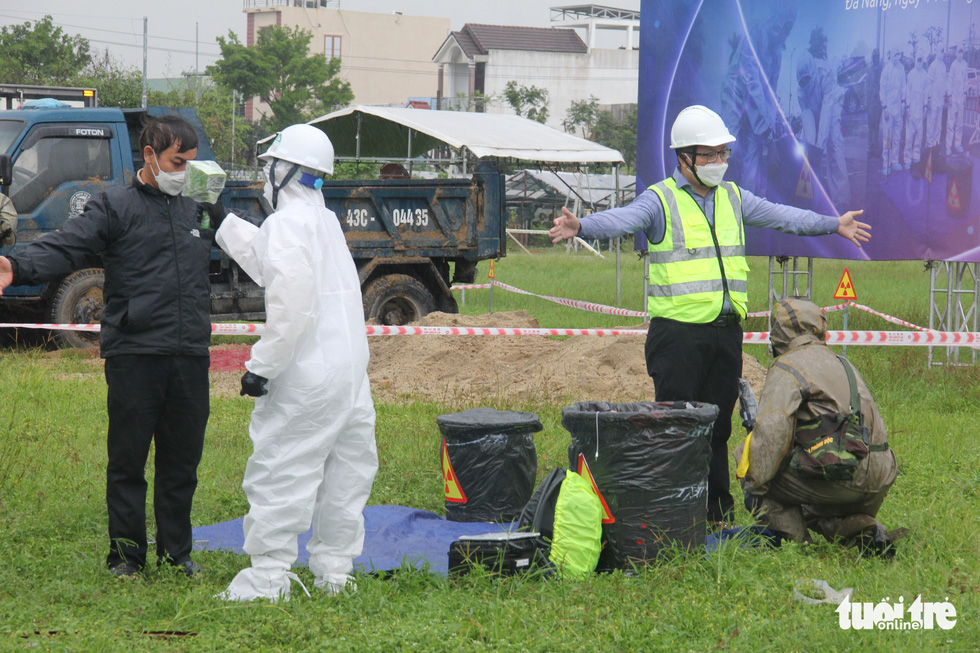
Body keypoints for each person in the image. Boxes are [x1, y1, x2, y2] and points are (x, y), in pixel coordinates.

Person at [548, 105, 870, 525]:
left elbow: (783, 216)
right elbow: (624, 219)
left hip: (723, 336)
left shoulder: (734, 198)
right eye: (708, 155)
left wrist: (832, 223)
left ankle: (717, 516)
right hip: (677, 338)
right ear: (683, 158)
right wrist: (584, 226)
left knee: (717, 429)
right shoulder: (660, 199)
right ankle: (674, 515)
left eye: (723, 154)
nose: (718, 162)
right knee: (676, 429)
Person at [0, 115, 222, 578]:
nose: (184, 171)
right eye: (176, 162)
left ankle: (177, 554)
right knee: (128, 462)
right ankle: (125, 557)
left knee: (182, 464)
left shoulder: (198, 209)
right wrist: (15, 267)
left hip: (188, 354)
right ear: (149, 156)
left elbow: (251, 242)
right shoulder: (114, 205)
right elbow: (66, 245)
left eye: (191, 163)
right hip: (135, 355)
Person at [214, 124, 378, 602]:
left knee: (281, 468)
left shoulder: (288, 225)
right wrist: (223, 223)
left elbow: (291, 304)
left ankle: (267, 581)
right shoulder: (323, 221)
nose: (267, 176)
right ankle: (333, 574)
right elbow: (274, 262)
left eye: (270, 167)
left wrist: (261, 366)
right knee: (345, 477)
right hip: (350, 376)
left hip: (308, 374)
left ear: (284, 172)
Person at [734, 298, 899, 554]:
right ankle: (864, 530)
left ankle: (794, 545)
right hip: (880, 473)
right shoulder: (844, 363)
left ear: (779, 333)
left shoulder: (788, 366)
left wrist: (754, 480)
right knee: (816, 492)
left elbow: (771, 436)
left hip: (844, 473)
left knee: (751, 464)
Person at [719, 6, 796, 195]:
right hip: (736, 96)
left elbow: (770, 93)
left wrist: (772, 126)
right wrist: (768, 136)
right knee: (732, 149)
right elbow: (752, 85)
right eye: (783, 27)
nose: (785, 33)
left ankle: (746, 209)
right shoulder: (754, 37)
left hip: (757, 103)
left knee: (753, 154)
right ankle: (718, 200)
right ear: (775, 21)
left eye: (789, 29)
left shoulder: (777, 53)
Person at [796, 50, 851, 205]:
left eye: (808, 80)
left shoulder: (825, 72)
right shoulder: (801, 94)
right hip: (814, 110)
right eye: (802, 81)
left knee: (834, 145)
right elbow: (808, 118)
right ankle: (812, 197)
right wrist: (814, 148)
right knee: (810, 146)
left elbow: (827, 109)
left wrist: (821, 145)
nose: (805, 83)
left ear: (813, 73)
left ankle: (842, 200)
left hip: (832, 104)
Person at [879, 49, 906, 175]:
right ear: (890, 54)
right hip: (888, 109)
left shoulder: (901, 68)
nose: (896, 56)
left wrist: (903, 102)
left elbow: (903, 87)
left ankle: (895, 161)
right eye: (895, 54)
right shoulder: (886, 69)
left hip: (898, 109)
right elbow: (882, 90)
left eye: (898, 53)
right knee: (887, 137)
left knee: (897, 136)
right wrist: (884, 107)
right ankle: (886, 163)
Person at [905, 57, 929, 170]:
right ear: (915, 60)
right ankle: (907, 159)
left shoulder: (925, 74)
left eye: (921, 60)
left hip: (920, 110)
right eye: (918, 59)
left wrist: (925, 107)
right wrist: (908, 107)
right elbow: (907, 91)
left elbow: (925, 91)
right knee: (909, 136)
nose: (919, 62)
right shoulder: (910, 75)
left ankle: (916, 156)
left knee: (919, 134)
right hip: (912, 110)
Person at [946, 47, 969, 155]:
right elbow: (949, 81)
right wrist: (949, 95)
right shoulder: (953, 65)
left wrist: (965, 93)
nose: (960, 54)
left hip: (961, 99)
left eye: (962, 52)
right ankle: (948, 146)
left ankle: (957, 144)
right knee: (951, 123)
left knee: (959, 123)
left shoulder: (965, 65)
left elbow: (966, 81)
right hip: (953, 98)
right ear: (956, 53)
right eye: (959, 52)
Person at [926, 50, 947, 151]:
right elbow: (929, 84)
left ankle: (936, 142)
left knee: (938, 123)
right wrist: (929, 99)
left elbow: (944, 82)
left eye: (943, 51)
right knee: (931, 122)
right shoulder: (933, 66)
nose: (941, 53)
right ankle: (929, 143)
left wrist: (944, 95)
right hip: (933, 99)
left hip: (940, 99)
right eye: (940, 50)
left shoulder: (943, 65)